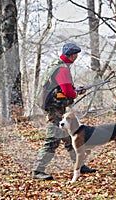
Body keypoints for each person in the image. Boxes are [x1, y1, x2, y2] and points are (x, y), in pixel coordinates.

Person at [33, 43, 96, 180]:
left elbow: (63, 88)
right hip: (54, 110)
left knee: (69, 138)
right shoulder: (62, 69)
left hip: (55, 107)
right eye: (76, 55)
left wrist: (75, 89)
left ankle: (79, 165)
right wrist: (76, 92)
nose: (77, 57)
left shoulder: (56, 64)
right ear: (72, 56)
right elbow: (68, 92)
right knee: (52, 139)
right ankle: (38, 171)